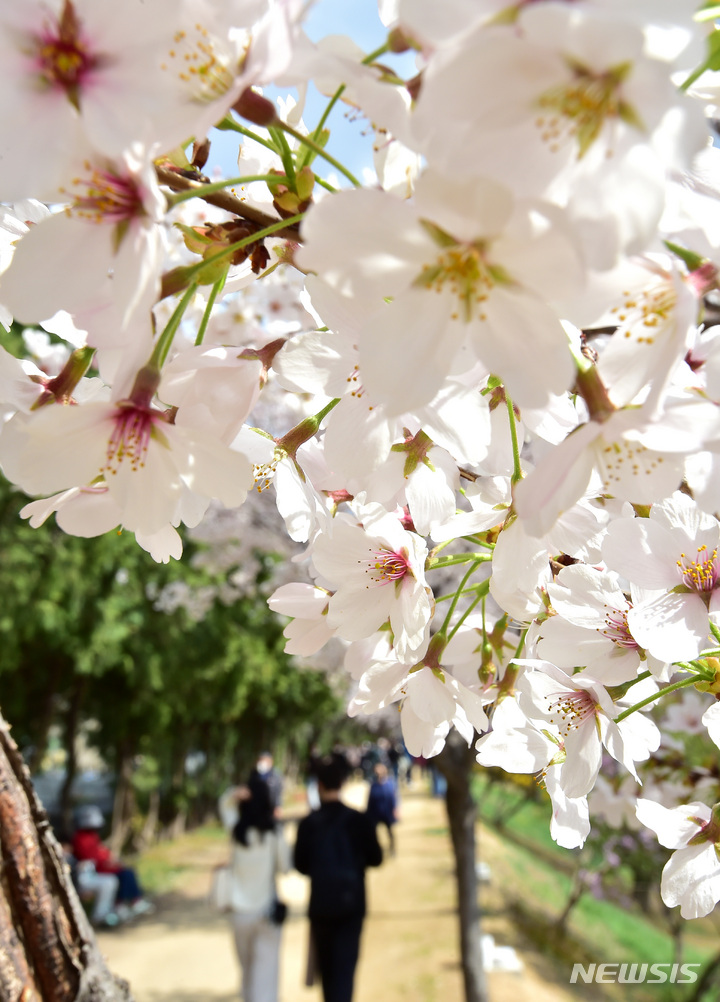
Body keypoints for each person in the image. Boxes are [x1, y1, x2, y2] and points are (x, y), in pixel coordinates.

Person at [294, 752, 382, 1002]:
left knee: (328, 974)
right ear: (342, 784)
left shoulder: (309, 823)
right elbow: (376, 858)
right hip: (351, 905)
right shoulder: (358, 820)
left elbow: (300, 865)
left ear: (319, 786)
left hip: (321, 905)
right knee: (345, 973)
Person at [219, 773, 290, 1002]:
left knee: (247, 972)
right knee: (266, 975)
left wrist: (234, 793)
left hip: (240, 914)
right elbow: (285, 866)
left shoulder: (237, 831)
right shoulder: (273, 833)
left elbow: (224, 804)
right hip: (266, 912)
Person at [71, 805, 153, 922]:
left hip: (100, 868)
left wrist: (112, 860)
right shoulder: (81, 838)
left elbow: (101, 853)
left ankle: (124, 904)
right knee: (123, 874)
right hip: (92, 872)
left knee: (125, 873)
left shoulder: (92, 836)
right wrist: (111, 863)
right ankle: (123, 905)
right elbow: (93, 858)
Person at [365, 762, 398, 856]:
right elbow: (370, 800)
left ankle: (392, 849)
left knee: (390, 832)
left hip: (387, 812)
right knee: (373, 832)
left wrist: (395, 809)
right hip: (375, 812)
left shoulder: (389, 784)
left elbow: (393, 798)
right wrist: (367, 813)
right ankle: (375, 850)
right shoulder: (374, 786)